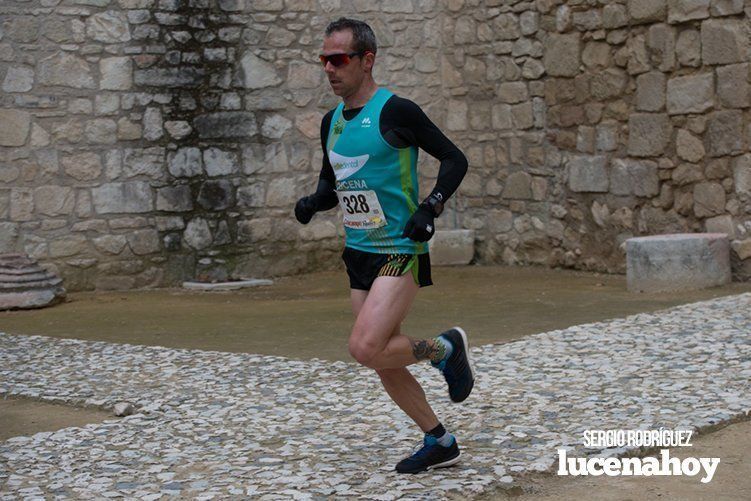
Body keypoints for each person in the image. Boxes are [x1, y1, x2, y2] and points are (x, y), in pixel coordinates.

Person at [294, 17, 473, 474]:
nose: (330, 69)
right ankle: (441, 440)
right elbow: (333, 182)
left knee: (364, 347)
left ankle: (445, 349)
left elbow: (455, 159)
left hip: (400, 249)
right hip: (358, 254)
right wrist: (314, 202)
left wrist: (429, 208)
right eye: (324, 60)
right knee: (380, 357)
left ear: (366, 60)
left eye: (339, 59)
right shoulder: (330, 122)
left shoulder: (397, 111)